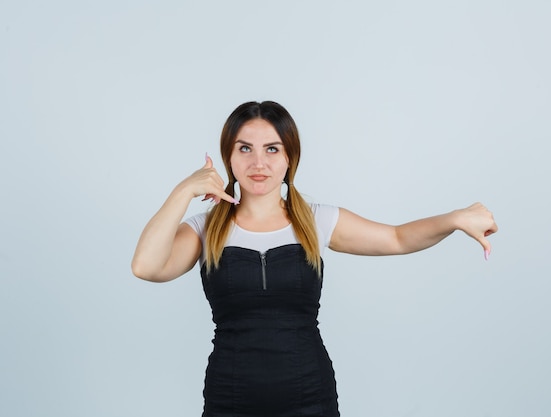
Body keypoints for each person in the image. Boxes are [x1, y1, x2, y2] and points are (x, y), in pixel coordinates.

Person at [131, 101, 498, 417]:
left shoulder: (317, 220)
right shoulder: (204, 228)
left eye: (272, 149)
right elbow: (146, 266)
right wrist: (184, 189)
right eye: (245, 149)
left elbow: (398, 238)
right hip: (230, 400)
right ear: (229, 155)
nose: (259, 162)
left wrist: (454, 219)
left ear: (290, 157)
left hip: (310, 399)